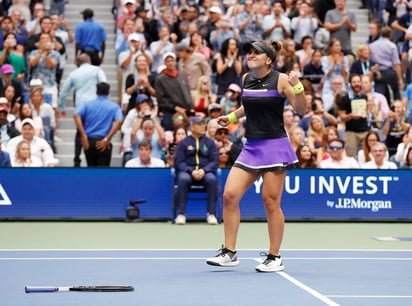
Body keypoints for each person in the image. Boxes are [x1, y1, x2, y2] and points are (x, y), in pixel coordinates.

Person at [206, 40, 306, 272]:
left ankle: (275, 256)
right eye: (249, 52)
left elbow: (301, 109)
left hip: (275, 146)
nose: (250, 55)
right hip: (251, 146)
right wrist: (230, 118)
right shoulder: (246, 79)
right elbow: (248, 107)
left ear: (268, 59)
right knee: (230, 195)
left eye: (255, 53)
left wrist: (298, 86)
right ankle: (230, 252)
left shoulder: (281, 80)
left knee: (271, 202)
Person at [58, 53, 107, 167]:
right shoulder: (96, 70)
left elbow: (63, 92)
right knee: (96, 131)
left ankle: (77, 158)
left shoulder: (74, 74)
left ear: (78, 63)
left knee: (80, 131)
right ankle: (95, 158)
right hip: (96, 105)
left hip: (80, 106)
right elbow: (104, 83)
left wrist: (62, 107)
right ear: (89, 60)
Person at [173, 116, 219, 225]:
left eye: (204, 124)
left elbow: (214, 161)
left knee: (212, 179)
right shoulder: (183, 143)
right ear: (192, 127)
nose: (203, 126)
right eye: (199, 124)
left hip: (205, 173)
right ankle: (181, 214)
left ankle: (211, 214)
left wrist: (204, 170)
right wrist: (191, 171)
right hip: (188, 173)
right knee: (183, 179)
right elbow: (179, 162)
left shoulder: (210, 143)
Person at [73, 82, 123, 167]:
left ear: (96, 92)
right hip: (103, 141)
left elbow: (76, 115)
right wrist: (108, 138)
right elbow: (119, 121)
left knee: (91, 168)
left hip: (89, 141)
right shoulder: (114, 107)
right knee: (103, 172)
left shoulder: (87, 104)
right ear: (108, 92)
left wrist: (83, 135)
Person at [155, 52, 195, 131]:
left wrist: (191, 107)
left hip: (186, 111)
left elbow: (187, 93)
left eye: (172, 60)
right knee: (171, 133)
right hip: (170, 112)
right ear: (165, 63)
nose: (170, 63)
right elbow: (161, 99)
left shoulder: (183, 75)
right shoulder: (160, 79)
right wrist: (175, 107)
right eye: (168, 61)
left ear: (175, 62)